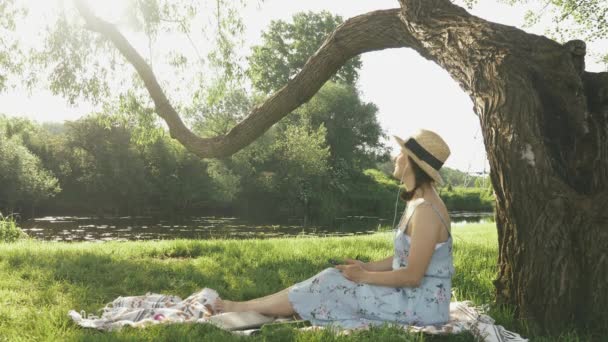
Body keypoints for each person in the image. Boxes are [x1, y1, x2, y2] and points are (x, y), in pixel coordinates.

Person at [214, 129, 454, 329]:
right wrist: (365, 267)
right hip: (410, 296)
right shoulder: (418, 201)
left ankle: (242, 308)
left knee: (331, 283)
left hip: (420, 305)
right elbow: (405, 258)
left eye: (401, 152)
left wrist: (365, 277)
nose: (395, 157)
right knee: (332, 277)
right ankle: (248, 306)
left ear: (412, 162)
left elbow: (412, 277)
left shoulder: (426, 210)